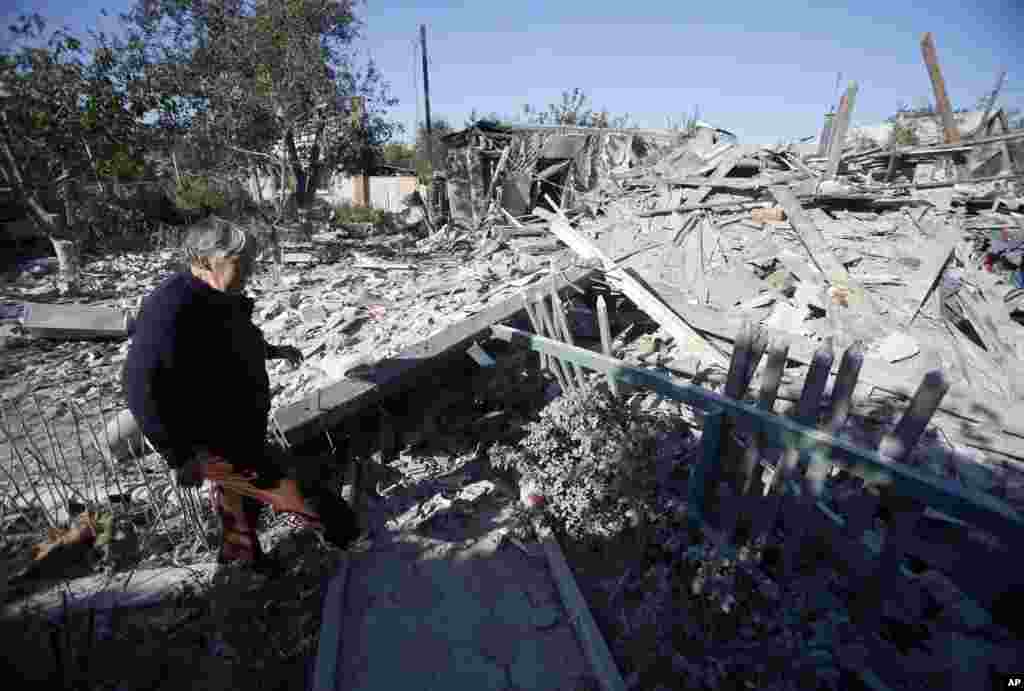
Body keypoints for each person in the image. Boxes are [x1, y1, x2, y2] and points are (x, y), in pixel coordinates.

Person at [122, 217, 359, 570]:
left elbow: (235, 338)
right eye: (240, 262)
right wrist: (179, 456)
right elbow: (139, 384)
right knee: (300, 491)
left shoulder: (216, 296)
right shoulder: (170, 308)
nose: (250, 270)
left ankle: (243, 570)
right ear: (204, 261)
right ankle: (352, 545)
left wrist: (273, 351)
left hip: (239, 431)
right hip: (218, 441)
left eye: (251, 261)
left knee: (239, 509)